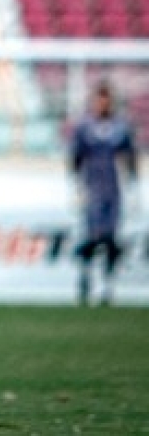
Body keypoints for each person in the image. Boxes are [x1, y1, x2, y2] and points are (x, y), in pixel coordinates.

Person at [71, 81, 138, 306]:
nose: (102, 104)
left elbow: (130, 157)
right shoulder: (85, 128)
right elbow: (76, 158)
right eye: (99, 100)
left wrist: (133, 185)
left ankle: (108, 286)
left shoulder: (120, 127)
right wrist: (76, 187)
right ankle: (86, 279)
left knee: (110, 240)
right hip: (93, 188)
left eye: (106, 100)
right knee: (92, 237)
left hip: (114, 189)